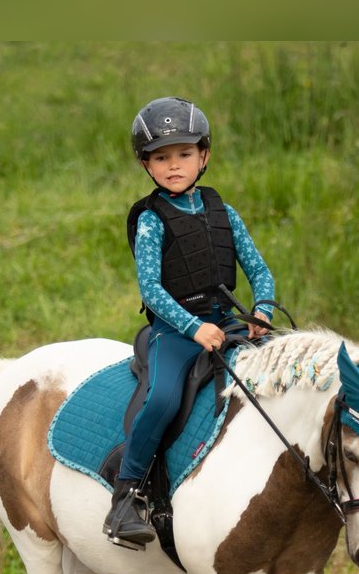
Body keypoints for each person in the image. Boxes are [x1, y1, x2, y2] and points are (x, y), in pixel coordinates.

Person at [103, 96, 275, 548]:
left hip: (228, 323)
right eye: (161, 157)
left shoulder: (224, 212)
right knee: (161, 399)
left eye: (183, 154)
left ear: (204, 156)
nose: (173, 165)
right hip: (175, 332)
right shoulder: (151, 221)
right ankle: (127, 496)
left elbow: (259, 269)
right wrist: (194, 328)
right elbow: (152, 291)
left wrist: (264, 310)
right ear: (146, 164)